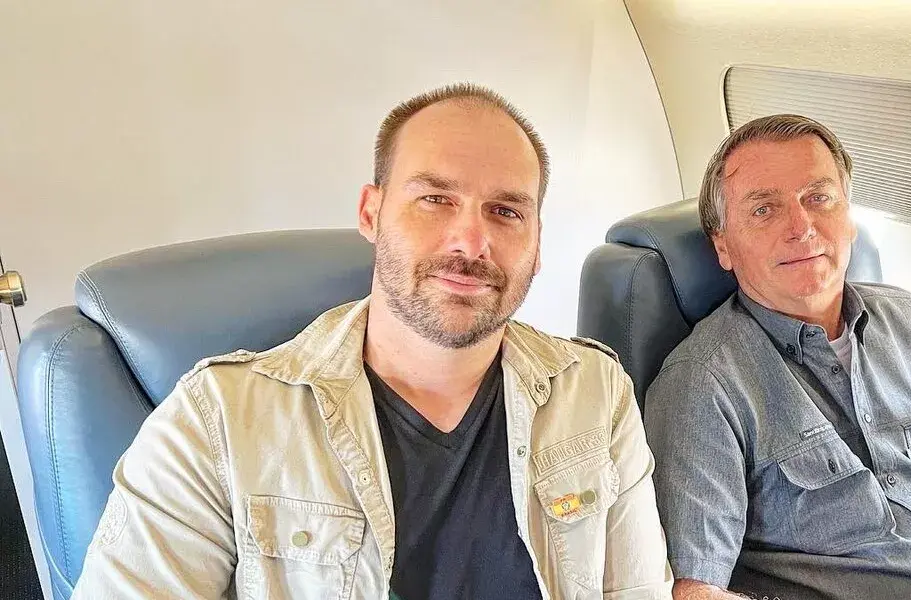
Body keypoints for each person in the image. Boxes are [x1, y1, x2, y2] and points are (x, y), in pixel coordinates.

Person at [75, 83, 672, 599]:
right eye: (435, 199)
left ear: (537, 244)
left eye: (506, 211)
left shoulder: (595, 391)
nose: (471, 241)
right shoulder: (217, 421)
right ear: (371, 212)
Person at [644, 114, 911, 600]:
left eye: (818, 198)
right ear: (723, 247)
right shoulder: (701, 383)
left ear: (849, 216)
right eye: (764, 210)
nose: (801, 227)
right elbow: (697, 590)